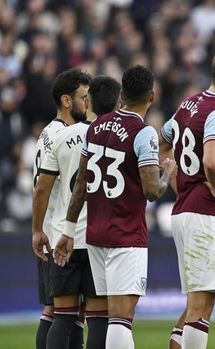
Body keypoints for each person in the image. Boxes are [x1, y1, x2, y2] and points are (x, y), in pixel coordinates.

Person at [53, 65, 176, 348]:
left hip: (96, 236)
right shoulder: (143, 133)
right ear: (152, 96)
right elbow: (152, 190)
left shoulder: (96, 126)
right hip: (126, 235)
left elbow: (81, 183)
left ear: (122, 93)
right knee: (122, 318)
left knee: (110, 317)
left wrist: (69, 230)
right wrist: (167, 171)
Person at [159, 46, 215, 349]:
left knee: (192, 305)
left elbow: (164, 141)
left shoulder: (188, 104)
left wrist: (177, 180)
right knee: (201, 308)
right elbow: (213, 161)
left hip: (184, 210)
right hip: (205, 215)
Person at [36, 75, 121, 349]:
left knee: (61, 316)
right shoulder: (113, 136)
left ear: (89, 102)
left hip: (64, 236)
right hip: (98, 237)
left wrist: (38, 229)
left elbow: (42, 188)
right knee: (97, 318)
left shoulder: (61, 136)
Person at [31, 68, 91, 349]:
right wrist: (37, 229)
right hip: (59, 231)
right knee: (60, 311)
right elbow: (43, 187)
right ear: (67, 101)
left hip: (53, 227)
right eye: (83, 97)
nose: (87, 103)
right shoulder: (64, 134)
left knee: (61, 310)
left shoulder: (49, 132)